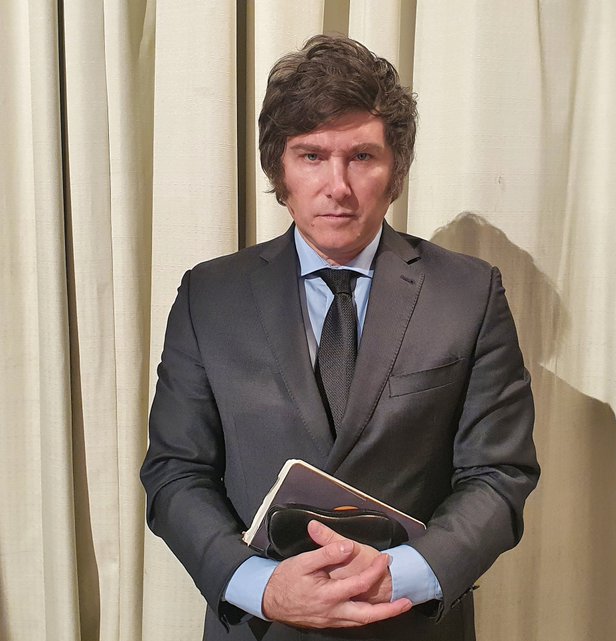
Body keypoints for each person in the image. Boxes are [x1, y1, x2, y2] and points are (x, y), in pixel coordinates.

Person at [141, 34, 539, 641]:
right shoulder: (209, 296)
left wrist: (402, 575)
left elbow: (498, 473)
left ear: (395, 171)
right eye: (311, 156)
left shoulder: (469, 293)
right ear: (279, 169)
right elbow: (175, 470)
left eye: (361, 157)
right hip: (261, 627)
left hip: (409, 624)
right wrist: (259, 585)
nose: (338, 186)